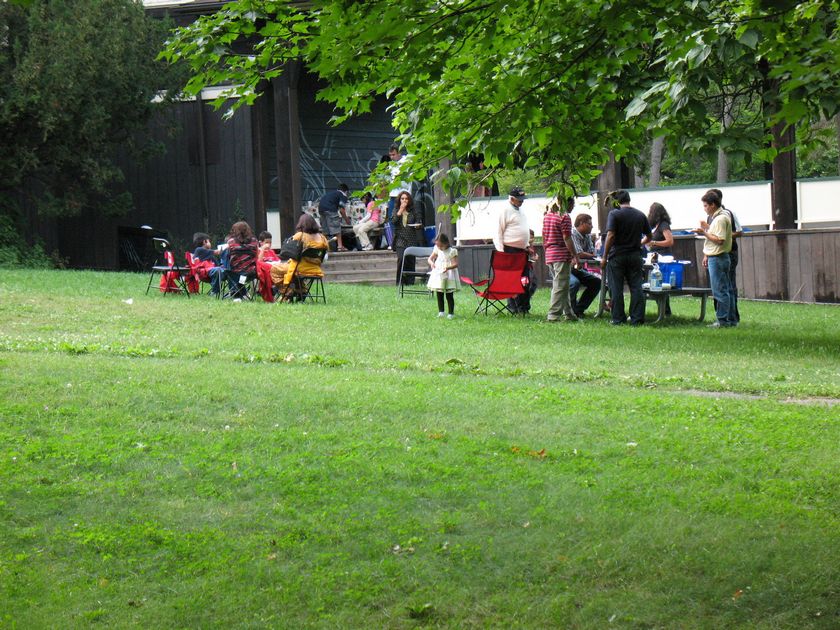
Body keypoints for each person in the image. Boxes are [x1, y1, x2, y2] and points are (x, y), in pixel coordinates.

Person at [600, 190, 651, 325]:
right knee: (636, 287)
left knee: (615, 287)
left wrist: (604, 256)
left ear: (617, 202)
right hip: (635, 255)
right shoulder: (640, 215)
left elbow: (610, 235)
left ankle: (618, 318)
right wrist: (639, 243)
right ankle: (637, 318)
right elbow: (649, 236)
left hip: (617, 256)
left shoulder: (614, 214)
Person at [695, 191, 736, 328]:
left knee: (720, 290)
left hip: (717, 257)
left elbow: (719, 240)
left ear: (713, 205)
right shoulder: (723, 216)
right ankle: (731, 320)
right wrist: (707, 228)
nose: (704, 208)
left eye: (706, 205)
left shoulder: (719, 219)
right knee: (727, 289)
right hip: (722, 257)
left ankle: (722, 320)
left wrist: (703, 233)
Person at [269, 214, 330, 300]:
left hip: (299, 269)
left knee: (274, 269)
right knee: (292, 271)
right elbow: (324, 258)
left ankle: (287, 291)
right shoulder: (323, 238)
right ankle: (301, 291)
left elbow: (288, 246)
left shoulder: (301, 235)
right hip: (315, 269)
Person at [495, 186, 531, 314]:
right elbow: (498, 232)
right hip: (509, 250)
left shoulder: (520, 210)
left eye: (522, 199)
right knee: (512, 279)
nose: (522, 201)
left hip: (522, 250)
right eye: (519, 199)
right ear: (511, 198)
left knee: (525, 279)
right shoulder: (504, 210)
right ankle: (514, 306)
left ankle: (524, 307)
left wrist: (527, 245)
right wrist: (501, 252)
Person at [543, 197, 579, 322]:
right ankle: (553, 315)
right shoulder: (565, 216)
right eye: (572, 203)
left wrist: (546, 251)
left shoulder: (548, 216)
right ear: (566, 203)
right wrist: (575, 255)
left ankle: (569, 314)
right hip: (561, 255)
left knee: (563, 285)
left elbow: (544, 235)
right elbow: (567, 238)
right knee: (559, 286)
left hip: (550, 254)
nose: (573, 206)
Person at [709, 188, 742, 323]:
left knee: (727, 287)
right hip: (715, 252)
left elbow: (738, 232)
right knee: (721, 286)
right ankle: (724, 316)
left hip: (728, 252)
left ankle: (729, 318)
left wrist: (725, 235)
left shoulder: (727, 214)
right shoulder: (712, 217)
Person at [569, 213, 601, 317]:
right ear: (582, 224)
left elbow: (591, 252)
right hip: (566, 269)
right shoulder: (572, 234)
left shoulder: (587, 236)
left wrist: (590, 254)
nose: (592, 226)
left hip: (577, 268)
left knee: (597, 282)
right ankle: (570, 311)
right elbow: (580, 253)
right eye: (590, 224)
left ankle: (578, 309)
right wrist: (590, 255)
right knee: (574, 283)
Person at [391, 190, 425, 285]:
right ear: (399, 200)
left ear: (409, 200)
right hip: (400, 239)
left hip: (411, 239)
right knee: (401, 259)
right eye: (402, 199)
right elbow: (393, 222)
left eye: (406, 199)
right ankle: (400, 282)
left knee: (410, 261)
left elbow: (419, 222)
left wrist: (418, 225)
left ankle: (410, 282)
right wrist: (400, 211)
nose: (404, 200)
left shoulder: (413, 210)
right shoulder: (396, 210)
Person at [427, 233, 460, 319]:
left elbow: (455, 264)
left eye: (441, 246)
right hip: (439, 273)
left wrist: (447, 268)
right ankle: (441, 311)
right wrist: (432, 263)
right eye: (438, 245)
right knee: (439, 293)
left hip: (449, 274)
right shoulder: (437, 249)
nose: (439, 248)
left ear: (446, 243)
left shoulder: (452, 251)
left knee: (449, 294)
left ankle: (451, 313)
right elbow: (430, 259)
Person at [318, 183, 350, 251]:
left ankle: (325, 247)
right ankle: (340, 246)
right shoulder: (343, 195)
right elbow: (341, 210)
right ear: (346, 191)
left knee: (325, 229)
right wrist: (347, 220)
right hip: (330, 209)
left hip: (321, 209)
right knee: (337, 228)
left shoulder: (332, 193)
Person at [387, 144, 410, 222]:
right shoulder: (391, 165)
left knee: (403, 220)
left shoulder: (406, 161)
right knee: (392, 219)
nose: (392, 157)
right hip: (392, 195)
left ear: (399, 153)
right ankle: (393, 234)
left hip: (403, 196)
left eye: (393, 154)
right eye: (390, 155)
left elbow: (407, 180)